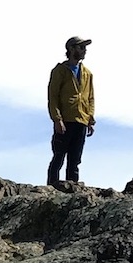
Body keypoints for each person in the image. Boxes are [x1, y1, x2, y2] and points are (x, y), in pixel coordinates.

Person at [46, 37, 94, 190]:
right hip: (65, 119)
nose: (84, 50)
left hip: (81, 120)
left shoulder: (87, 73)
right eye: (81, 47)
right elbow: (53, 96)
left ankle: (72, 189)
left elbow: (90, 97)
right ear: (72, 49)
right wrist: (57, 119)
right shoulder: (60, 70)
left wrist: (90, 118)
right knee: (59, 156)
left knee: (75, 159)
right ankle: (52, 187)